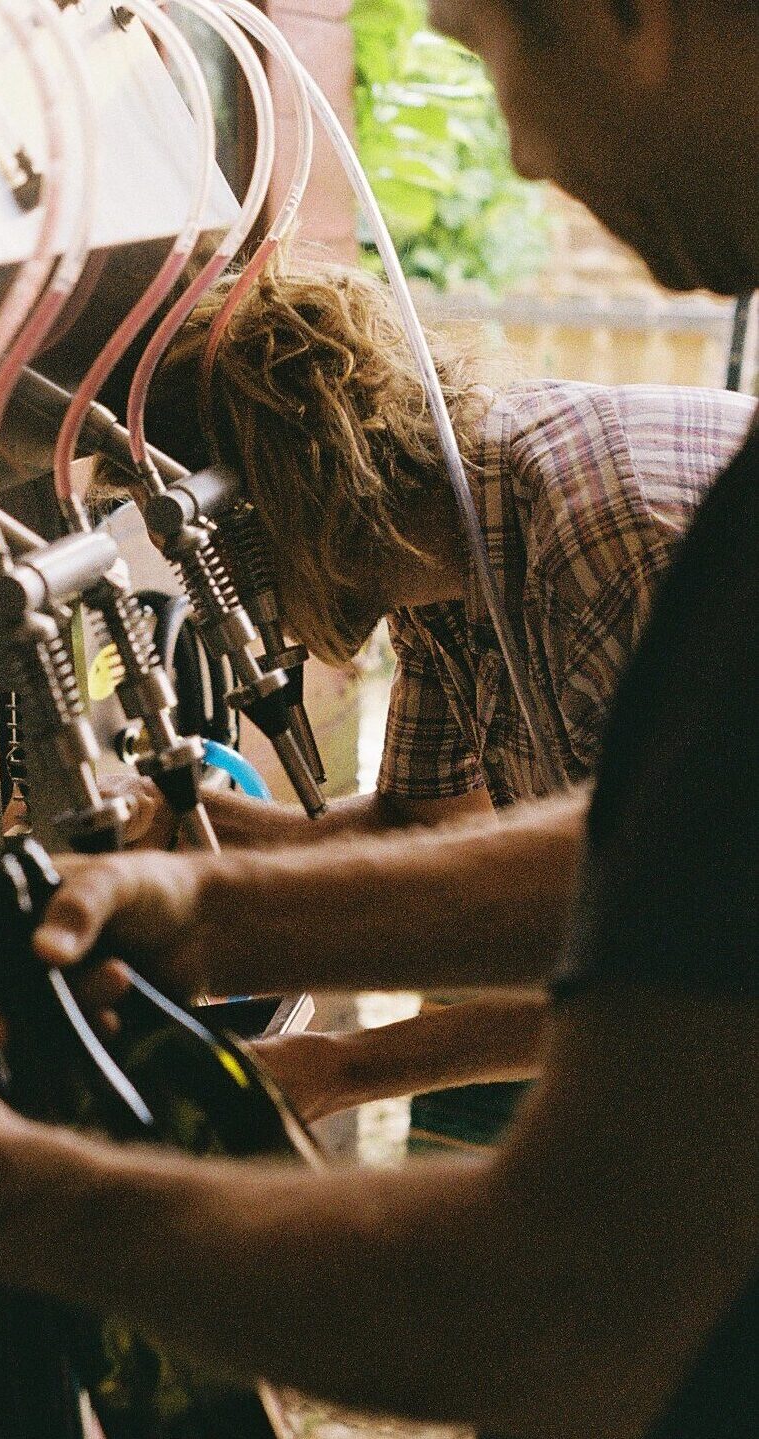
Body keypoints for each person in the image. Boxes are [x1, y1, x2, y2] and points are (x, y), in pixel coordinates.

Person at [0, 0, 759, 1439]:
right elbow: (661, 856)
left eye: (489, 52)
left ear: (632, 14)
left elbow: (566, 1296)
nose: (517, 151)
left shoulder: (601, 519)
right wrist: (222, 897)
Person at [98, 257, 753, 1124]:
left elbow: (668, 955)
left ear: (270, 506)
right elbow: (419, 830)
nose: (212, 588)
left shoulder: (599, 543)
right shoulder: (454, 561)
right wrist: (174, 821)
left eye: (212, 552)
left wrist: (343, 1068)